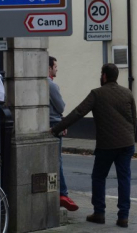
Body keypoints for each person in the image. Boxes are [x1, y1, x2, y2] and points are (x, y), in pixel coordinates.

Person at [50, 63, 136, 228]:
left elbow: (78, 112)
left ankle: (99, 213)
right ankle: (123, 217)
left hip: (107, 145)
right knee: (124, 178)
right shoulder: (127, 93)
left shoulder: (97, 94)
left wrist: (55, 129)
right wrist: (132, 139)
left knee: (98, 177)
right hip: (127, 143)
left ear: (104, 76)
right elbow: (134, 119)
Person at [48, 56, 79, 211]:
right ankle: (63, 193)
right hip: (54, 123)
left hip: (53, 122)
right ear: (48, 68)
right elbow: (60, 106)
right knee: (57, 160)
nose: (56, 68)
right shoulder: (51, 85)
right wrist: (61, 123)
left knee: (54, 159)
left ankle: (60, 192)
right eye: (55, 66)